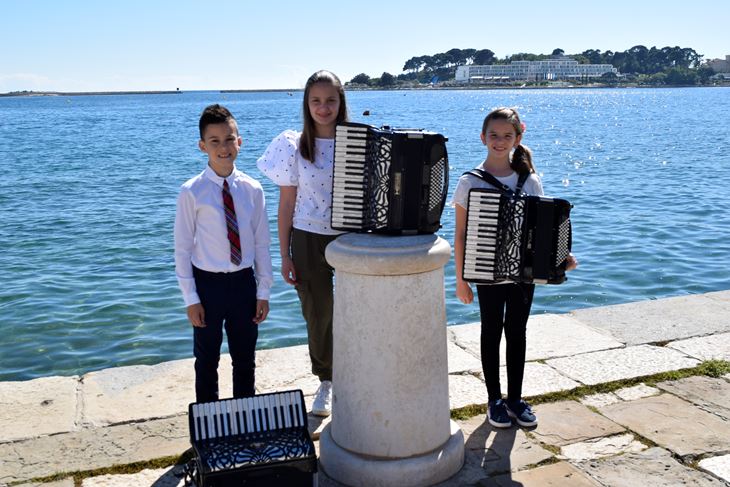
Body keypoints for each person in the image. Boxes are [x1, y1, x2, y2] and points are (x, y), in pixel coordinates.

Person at [452, 107, 578, 428]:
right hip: (486, 272)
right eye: (493, 135)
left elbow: (545, 230)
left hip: (523, 275)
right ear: (483, 138)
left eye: (507, 136)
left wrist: (561, 259)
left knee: (517, 332)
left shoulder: (530, 180)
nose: (499, 141)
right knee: (491, 331)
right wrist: (461, 280)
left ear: (517, 138)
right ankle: (493, 399)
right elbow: (461, 235)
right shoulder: (469, 181)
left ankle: (515, 399)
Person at [257, 70, 349, 417]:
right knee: (318, 314)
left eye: (330, 100)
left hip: (349, 237)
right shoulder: (293, 145)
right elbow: (286, 205)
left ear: (341, 103)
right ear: (306, 105)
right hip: (308, 238)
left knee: (355, 310)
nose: (323, 107)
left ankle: (355, 375)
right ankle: (326, 380)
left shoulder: (355, 142)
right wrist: (285, 255)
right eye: (316, 101)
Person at [175, 104, 273, 403]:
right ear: (203, 146)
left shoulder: (253, 189)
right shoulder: (192, 192)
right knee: (206, 361)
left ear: (239, 141)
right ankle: (209, 429)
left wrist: (264, 291)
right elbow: (182, 248)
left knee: (245, 359)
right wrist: (191, 299)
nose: (223, 147)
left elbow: (261, 244)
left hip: (244, 284)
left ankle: (243, 423)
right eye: (215, 141)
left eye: (229, 139)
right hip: (207, 286)